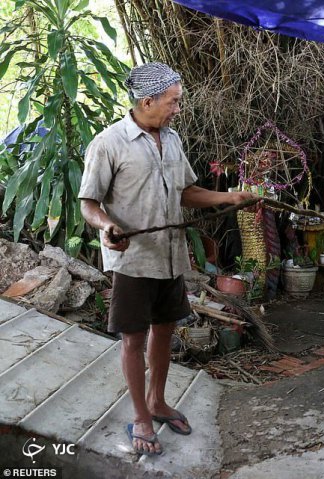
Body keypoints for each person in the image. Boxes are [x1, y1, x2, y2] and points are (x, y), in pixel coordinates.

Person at [79, 62, 257, 455]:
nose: (178, 108)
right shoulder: (109, 143)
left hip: (170, 256)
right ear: (148, 100)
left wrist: (230, 197)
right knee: (133, 339)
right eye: (174, 101)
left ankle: (157, 401)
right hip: (133, 261)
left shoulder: (172, 140)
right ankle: (141, 415)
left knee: (164, 331)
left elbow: (186, 192)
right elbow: (89, 203)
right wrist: (107, 226)